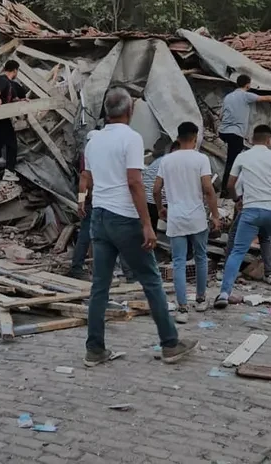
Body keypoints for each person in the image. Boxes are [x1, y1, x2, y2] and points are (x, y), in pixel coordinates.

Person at [80, 87, 196, 366]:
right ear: (130, 110)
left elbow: (89, 177)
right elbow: (134, 182)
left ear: (107, 112)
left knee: (100, 286)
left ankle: (94, 349)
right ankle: (170, 343)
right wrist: (147, 224)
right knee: (151, 280)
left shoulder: (93, 141)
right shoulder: (131, 139)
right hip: (124, 217)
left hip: (100, 216)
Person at [214, 125, 271, 307]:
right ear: (268, 140)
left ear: (252, 139)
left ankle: (225, 293)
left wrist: (237, 200)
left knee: (238, 252)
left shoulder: (242, 156)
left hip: (251, 211)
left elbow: (230, 184)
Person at [153, 122, 220, 322]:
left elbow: (156, 189)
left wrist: (160, 208)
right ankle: (200, 299)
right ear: (195, 137)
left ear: (178, 136)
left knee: (179, 262)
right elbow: (208, 189)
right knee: (201, 257)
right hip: (197, 216)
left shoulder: (167, 160)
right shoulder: (201, 159)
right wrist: (215, 214)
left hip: (176, 217)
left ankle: (182, 308)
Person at [69, 130, 134, 282]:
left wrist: (81, 202)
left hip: (99, 200)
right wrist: (81, 201)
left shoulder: (90, 154)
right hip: (104, 201)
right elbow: (84, 179)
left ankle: (79, 268)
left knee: (89, 236)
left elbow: (85, 180)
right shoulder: (95, 154)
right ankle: (128, 273)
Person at [217, 75, 271, 198]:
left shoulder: (228, 97)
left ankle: (230, 188)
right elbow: (266, 98)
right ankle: (227, 191)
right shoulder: (246, 95)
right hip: (235, 133)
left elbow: (220, 116)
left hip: (223, 131)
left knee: (233, 159)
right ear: (248, 85)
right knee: (233, 162)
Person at [141, 137, 171, 226]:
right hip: (159, 201)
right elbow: (157, 190)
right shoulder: (166, 161)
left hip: (147, 201)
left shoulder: (155, 163)